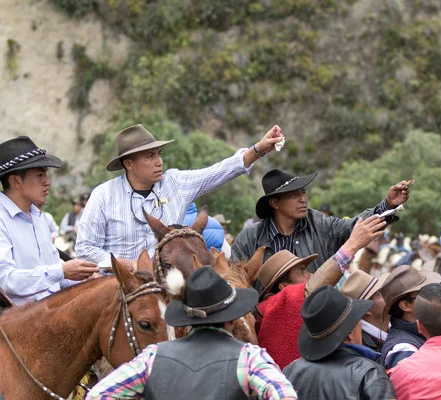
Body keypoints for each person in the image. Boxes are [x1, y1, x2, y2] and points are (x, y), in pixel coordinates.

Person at [76, 124, 283, 271]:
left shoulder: (174, 183)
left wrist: (258, 150)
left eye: (159, 154)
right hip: (118, 286)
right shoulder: (103, 195)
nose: (159, 162)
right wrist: (123, 263)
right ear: (128, 164)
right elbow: (85, 248)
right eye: (150, 156)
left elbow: (218, 172)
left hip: (169, 285)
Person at [87, 266, 297, 400]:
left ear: (187, 320)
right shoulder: (250, 358)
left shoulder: (152, 357)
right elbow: (285, 395)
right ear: (232, 318)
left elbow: (99, 394)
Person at [256, 215, 385, 368]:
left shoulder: (274, 314)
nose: (310, 275)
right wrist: (352, 245)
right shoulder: (283, 303)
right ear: (284, 288)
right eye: (302, 271)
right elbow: (312, 287)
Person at [232, 168, 410, 275]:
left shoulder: (317, 223)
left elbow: (352, 226)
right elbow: (237, 280)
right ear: (274, 203)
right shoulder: (249, 238)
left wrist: (387, 204)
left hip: (315, 314)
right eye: (294, 195)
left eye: (303, 192)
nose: (302, 199)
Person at [0, 137, 98, 305]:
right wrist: (61, 271)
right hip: (16, 322)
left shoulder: (38, 217)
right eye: (40, 175)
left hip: (50, 311)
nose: (47, 182)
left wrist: (87, 275)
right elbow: (6, 280)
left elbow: (54, 274)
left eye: (46, 174)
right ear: (15, 181)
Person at [283, 285, 396, 400]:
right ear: (350, 333)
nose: (361, 326)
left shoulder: (290, 370)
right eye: (359, 322)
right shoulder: (370, 374)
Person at [341, 270, 390, 352]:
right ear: (366, 309)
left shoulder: (397, 323)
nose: (387, 294)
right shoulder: (362, 345)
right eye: (379, 293)